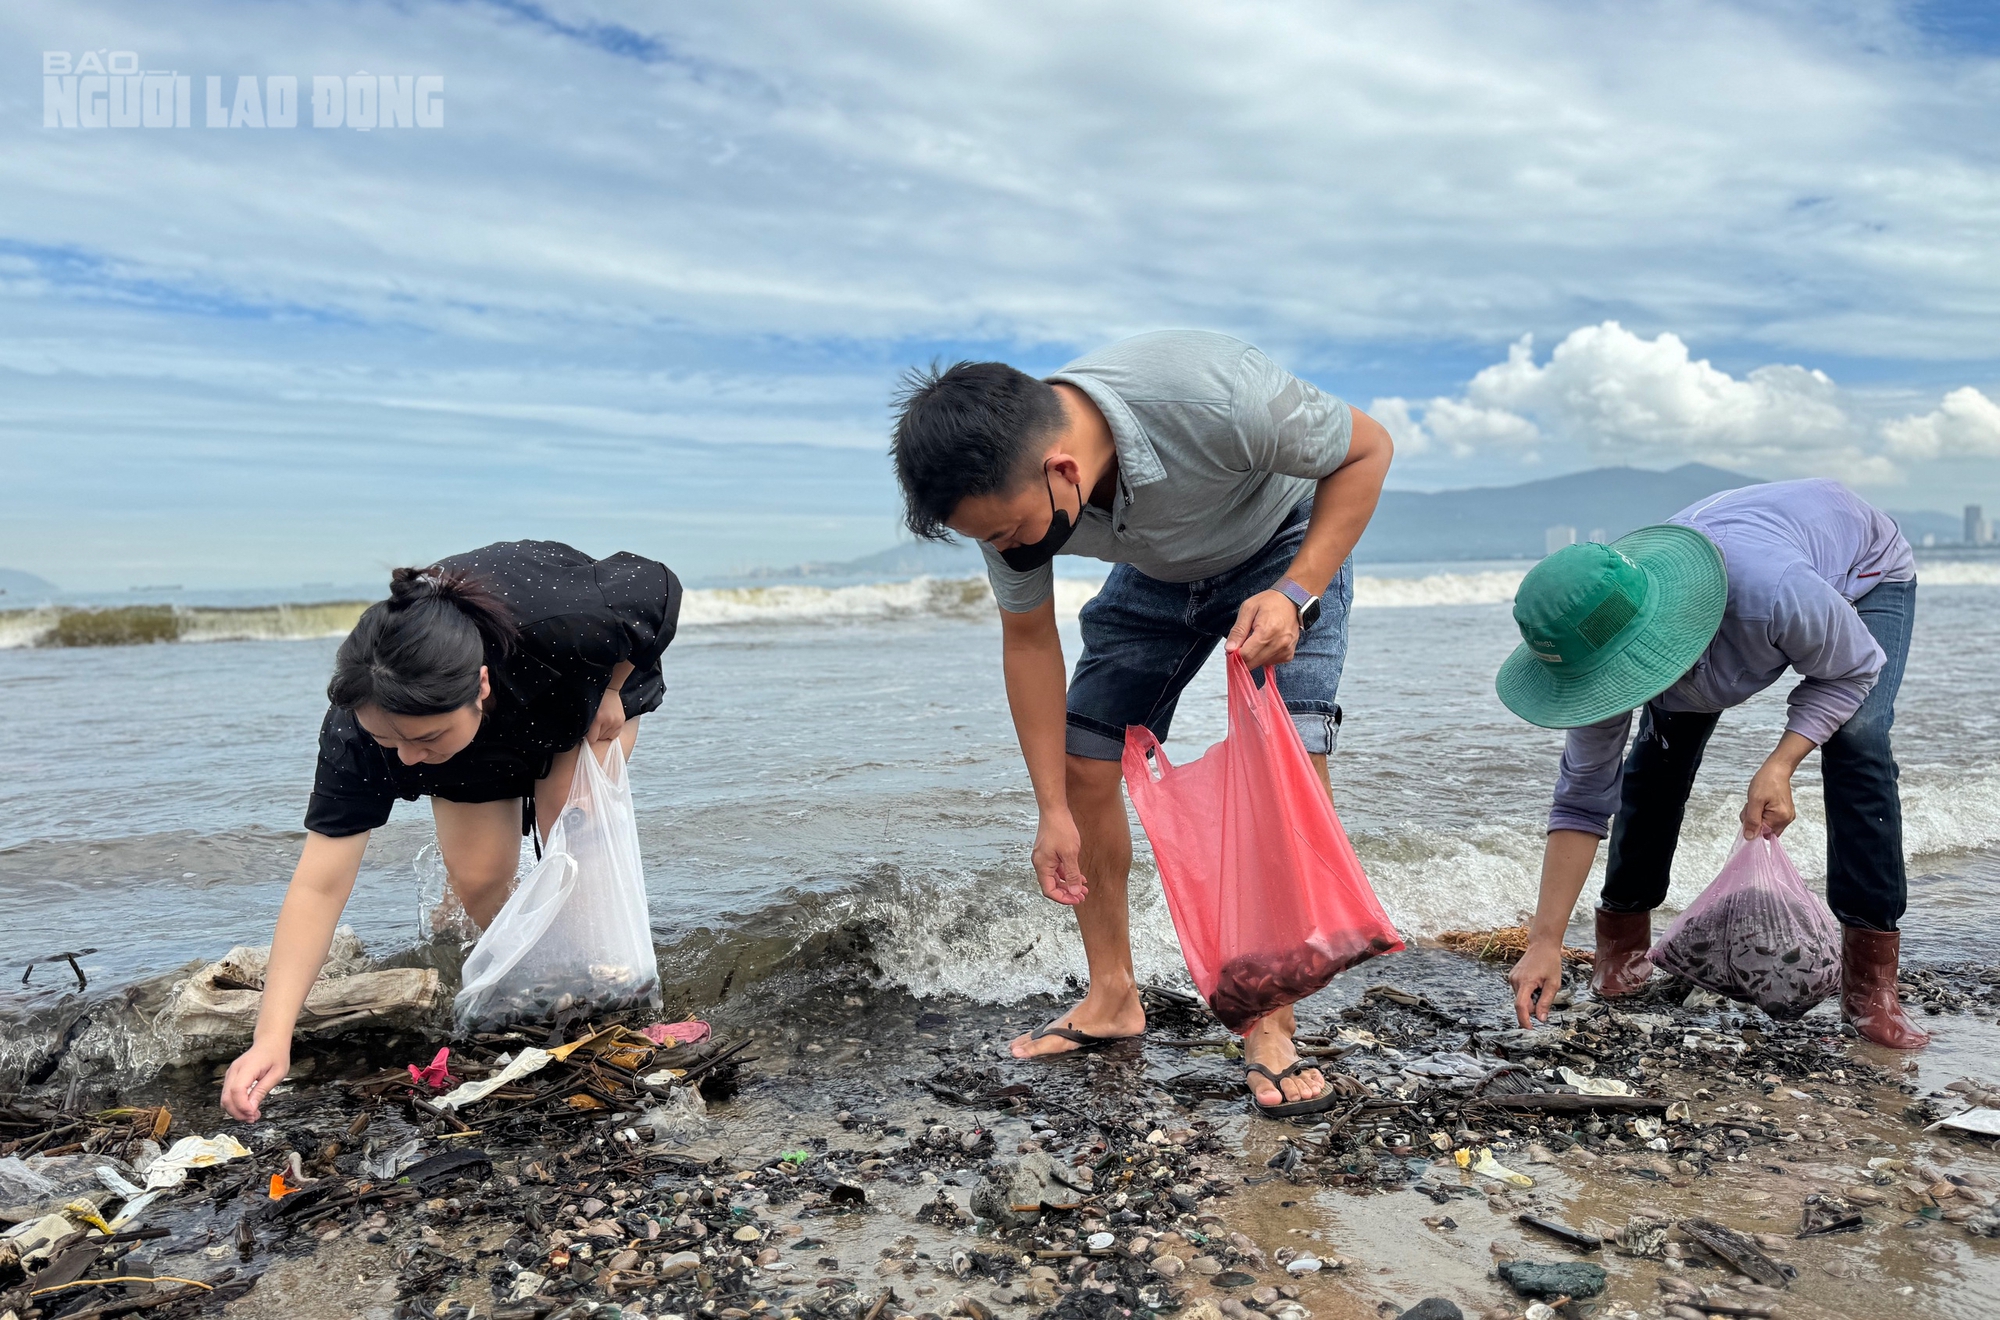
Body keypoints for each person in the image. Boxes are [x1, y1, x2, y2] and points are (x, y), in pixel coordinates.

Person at [890, 329, 1393, 1115]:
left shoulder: (1211, 395)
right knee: (1085, 759)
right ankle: (1113, 997)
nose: (1002, 548)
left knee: (1284, 765)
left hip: (1282, 545)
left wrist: (1297, 592)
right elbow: (1027, 640)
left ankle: (1270, 1024)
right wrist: (1051, 809)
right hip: (1157, 574)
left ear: (1062, 469)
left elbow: (1366, 450)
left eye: (1004, 532)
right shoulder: (1010, 495)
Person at [220, 541, 682, 1120]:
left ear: (481, 687)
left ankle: (600, 983)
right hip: (470, 744)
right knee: (482, 881)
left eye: (425, 740)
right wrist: (271, 1037)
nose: (408, 761)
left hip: (575, 687)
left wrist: (613, 685)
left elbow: (655, 584)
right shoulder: (361, 730)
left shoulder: (565, 621)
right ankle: (546, 983)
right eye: (394, 744)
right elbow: (320, 884)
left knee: (562, 825)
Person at [1500, 480, 1929, 1048]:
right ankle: (1623, 943)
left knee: (1858, 740)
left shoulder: (1772, 592)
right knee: (1658, 755)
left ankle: (1871, 984)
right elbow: (1583, 797)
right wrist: (1545, 940)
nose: (1619, 686)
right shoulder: (1593, 635)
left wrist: (1781, 762)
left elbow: (1850, 671)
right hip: (1739, 572)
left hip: (1863, 569)